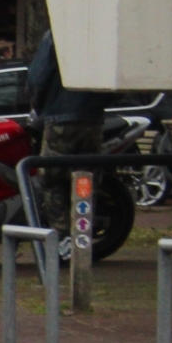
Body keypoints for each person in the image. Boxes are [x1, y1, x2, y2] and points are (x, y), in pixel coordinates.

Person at [26, 30, 105, 231]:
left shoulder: (56, 34)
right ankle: (82, 233)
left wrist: (38, 105)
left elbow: (39, 77)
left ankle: (61, 237)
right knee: (85, 178)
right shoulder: (98, 33)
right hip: (92, 118)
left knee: (52, 180)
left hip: (59, 116)